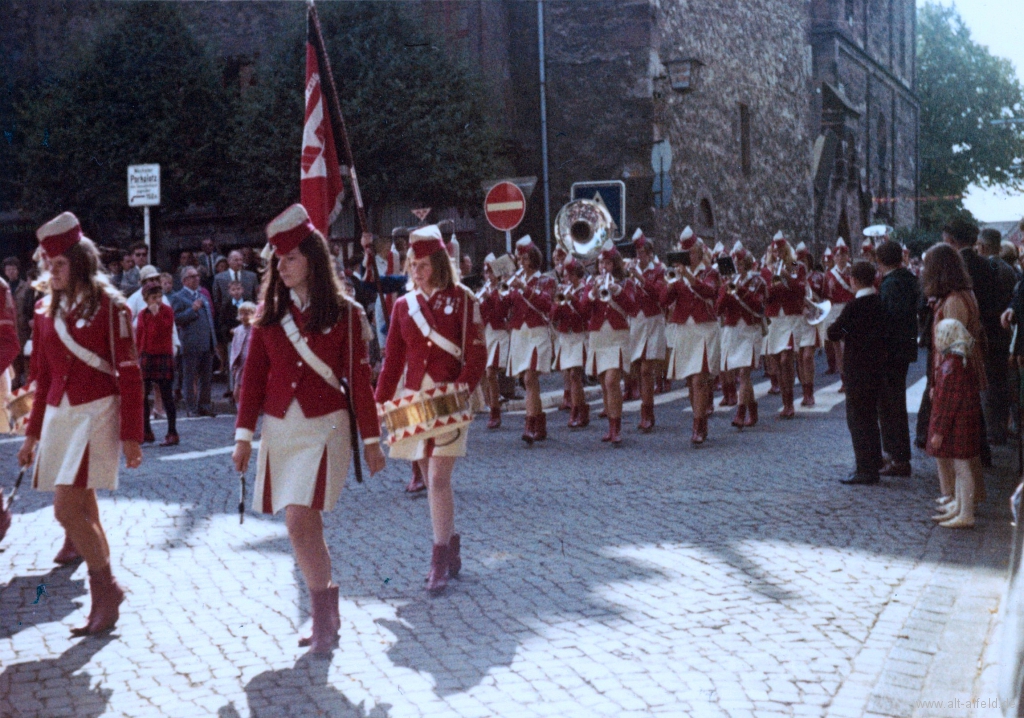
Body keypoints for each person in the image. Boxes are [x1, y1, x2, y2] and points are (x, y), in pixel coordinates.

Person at [233, 204, 385, 652]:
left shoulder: (346, 312)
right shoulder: (268, 315)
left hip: (326, 427)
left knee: (300, 518)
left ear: (313, 260)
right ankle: (326, 608)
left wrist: (372, 442)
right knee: (303, 525)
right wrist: (243, 436)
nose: (283, 267)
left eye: (292, 258)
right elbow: (253, 381)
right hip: (282, 428)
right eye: (278, 261)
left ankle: (321, 617)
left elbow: (360, 384)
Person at [17, 211, 144, 635]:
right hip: (60, 415)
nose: (52, 273)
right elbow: (47, 376)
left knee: (66, 510)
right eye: (47, 266)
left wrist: (131, 436)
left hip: (96, 412)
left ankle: (106, 590)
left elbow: (129, 373)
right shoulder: (43, 309)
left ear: (80, 262)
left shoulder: (112, 306)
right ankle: (105, 598)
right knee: (85, 510)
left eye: (60, 265)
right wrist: (32, 433)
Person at [374, 224, 486, 592]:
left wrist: (464, 389)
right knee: (429, 476)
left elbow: (477, 353)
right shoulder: (404, 306)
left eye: (423, 264)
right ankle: (450, 545)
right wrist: (378, 404)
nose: (417, 271)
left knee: (438, 479)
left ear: (439, 262)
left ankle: (438, 559)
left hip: (450, 397)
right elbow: (392, 361)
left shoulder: (464, 297)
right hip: (415, 400)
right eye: (412, 264)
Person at [921, 242, 988, 501]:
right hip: (962, 372)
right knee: (964, 444)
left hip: (955, 375)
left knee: (950, 442)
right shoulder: (961, 295)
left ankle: (954, 496)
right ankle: (967, 496)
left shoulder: (954, 301)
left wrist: (939, 382)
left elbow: (952, 348)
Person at [826, 260, 887, 485]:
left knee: (858, 420)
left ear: (854, 280)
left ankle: (865, 468)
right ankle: (875, 460)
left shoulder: (854, 307)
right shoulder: (879, 302)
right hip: (875, 368)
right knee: (871, 417)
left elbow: (834, 333)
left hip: (857, 370)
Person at [662, 227, 721, 443]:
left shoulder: (710, 272)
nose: (688, 257)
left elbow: (710, 292)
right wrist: (671, 283)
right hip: (684, 329)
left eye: (690, 253)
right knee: (690, 380)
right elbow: (663, 301)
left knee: (699, 379)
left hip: (704, 327)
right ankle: (700, 419)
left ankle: (698, 427)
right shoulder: (677, 275)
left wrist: (689, 277)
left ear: (697, 252)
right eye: (683, 253)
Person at [928, 318, 982, 529]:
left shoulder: (951, 365)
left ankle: (965, 511)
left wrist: (939, 431)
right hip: (962, 421)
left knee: (961, 468)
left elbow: (946, 402)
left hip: (956, 424)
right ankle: (960, 507)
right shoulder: (959, 361)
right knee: (961, 468)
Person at [875, 241, 919, 477]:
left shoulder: (892, 283)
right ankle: (896, 455)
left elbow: (890, 319)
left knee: (891, 407)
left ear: (881, 261)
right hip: (903, 349)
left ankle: (898, 457)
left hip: (891, 351)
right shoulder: (908, 277)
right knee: (894, 405)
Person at [506, 236, 556, 444]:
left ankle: (529, 425)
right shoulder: (515, 281)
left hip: (537, 333)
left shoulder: (546, 280)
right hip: (520, 334)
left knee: (529, 378)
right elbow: (505, 309)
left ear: (533, 259)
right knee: (528, 380)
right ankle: (539, 423)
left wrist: (524, 288)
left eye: (525, 259)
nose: (522, 263)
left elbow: (546, 304)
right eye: (519, 260)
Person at [716, 242, 767, 428]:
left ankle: (740, 413)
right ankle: (753, 410)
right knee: (741, 373)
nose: (737, 266)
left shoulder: (758, 282)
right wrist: (725, 291)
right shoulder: (729, 282)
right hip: (732, 329)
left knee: (745, 372)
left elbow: (758, 306)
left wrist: (740, 290)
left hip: (749, 329)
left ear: (747, 263)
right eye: (735, 263)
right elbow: (719, 309)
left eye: (740, 263)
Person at [761, 232, 807, 418]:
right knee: (777, 361)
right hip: (775, 318)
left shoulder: (795, 265)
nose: (778, 253)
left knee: (786, 359)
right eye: (774, 251)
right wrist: (772, 282)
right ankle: (785, 401)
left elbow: (801, 290)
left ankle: (791, 402)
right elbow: (766, 296)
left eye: (781, 250)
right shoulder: (766, 270)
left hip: (790, 316)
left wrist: (787, 277)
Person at [626, 230, 667, 432]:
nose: (638, 256)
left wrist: (640, 277)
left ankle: (647, 413)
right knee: (638, 369)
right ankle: (646, 409)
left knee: (646, 369)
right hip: (637, 321)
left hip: (653, 321)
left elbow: (659, 293)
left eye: (642, 252)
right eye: (636, 253)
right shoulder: (631, 271)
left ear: (650, 254)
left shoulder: (659, 270)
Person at [977, 227, 1015, 445]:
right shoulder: (1007, 269)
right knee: (1001, 383)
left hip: (989, 331)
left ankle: (994, 430)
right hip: (1004, 332)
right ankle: (1001, 426)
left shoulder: (987, 268)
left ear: (982, 246)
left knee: (990, 385)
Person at [136, 283, 178, 446]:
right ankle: (146, 430)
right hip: (147, 356)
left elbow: (163, 329)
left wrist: (156, 315)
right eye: (154, 298)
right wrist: (138, 356)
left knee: (167, 395)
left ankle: (172, 432)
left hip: (162, 355)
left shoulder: (167, 311)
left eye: (159, 297)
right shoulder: (142, 314)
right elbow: (141, 335)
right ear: (146, 299)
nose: (158, 301)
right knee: (143, 395)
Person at [171, 267, 217, 417]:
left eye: (197, 276)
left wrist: (213, 340)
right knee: (189, 378)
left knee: (206, 378)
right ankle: (191, 407)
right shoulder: (178, 297)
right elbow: (176, 318)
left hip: (206, 342)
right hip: (190, 343)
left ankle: (204, 405)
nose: (197, 278)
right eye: (192, 276)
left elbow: (210, 319)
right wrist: (192, 310)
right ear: (184, 280)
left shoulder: (202, 295)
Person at [550, 256, 590, 428]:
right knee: (571, 376)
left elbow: (585, 312)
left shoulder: (584, 290)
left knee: (575, 374)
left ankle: (577, 410)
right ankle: (580, 409)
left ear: (576, 275)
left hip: (580, 335)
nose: (566, 278)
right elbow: (553, 317)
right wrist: (558, 302)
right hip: (566, 336)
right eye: (565, 275)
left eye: (569, 275)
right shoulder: (563, 292)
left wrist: (572, 299)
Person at [478, 254, 514, 429]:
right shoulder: (485, 288)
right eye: (486, 272)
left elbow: (501, 311)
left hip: (499, 333)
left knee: (491, 372)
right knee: (486, 373)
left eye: (491, 272)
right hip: (486, 333)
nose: (488, 276)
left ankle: (495, 411)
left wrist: (488, 298)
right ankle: (493, 408)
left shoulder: (502, 288)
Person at [822, 238, 856, 385]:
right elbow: (825, 293)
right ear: (834, 257)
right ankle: (843, 377)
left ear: (847, 256)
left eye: (843, 255)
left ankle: (850, 374)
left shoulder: (852, 271)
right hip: (835, 309)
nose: (841, 258)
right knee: (837, 346)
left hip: (848, 308)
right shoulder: (829, 274)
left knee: (847, 344)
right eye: (838, 255)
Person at [229, 301, 256, 404]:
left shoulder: (256, 329)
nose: (244, 317)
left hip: (253, 364)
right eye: (241, 314)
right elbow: (235, 348)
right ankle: (240, 411)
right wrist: (234, 366)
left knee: (252, 390)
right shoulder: (238, 330)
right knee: (237, 392)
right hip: (241, 365)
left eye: (247, 314)